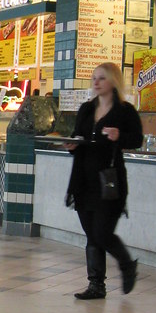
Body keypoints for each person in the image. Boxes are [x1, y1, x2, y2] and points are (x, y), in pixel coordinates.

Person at [65, 61, 143, 300]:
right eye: (94, 78)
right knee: (91, 234)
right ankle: (96, 284)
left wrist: (119, 136)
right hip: (83, 180)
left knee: (101, 232)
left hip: (108, 181)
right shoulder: (87, 109)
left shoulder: (125, 111)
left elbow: (137, 140)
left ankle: (126, 264)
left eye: (101, 78)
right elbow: (77, 136)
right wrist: (72, 144)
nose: (96, 82)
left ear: (113, 81)